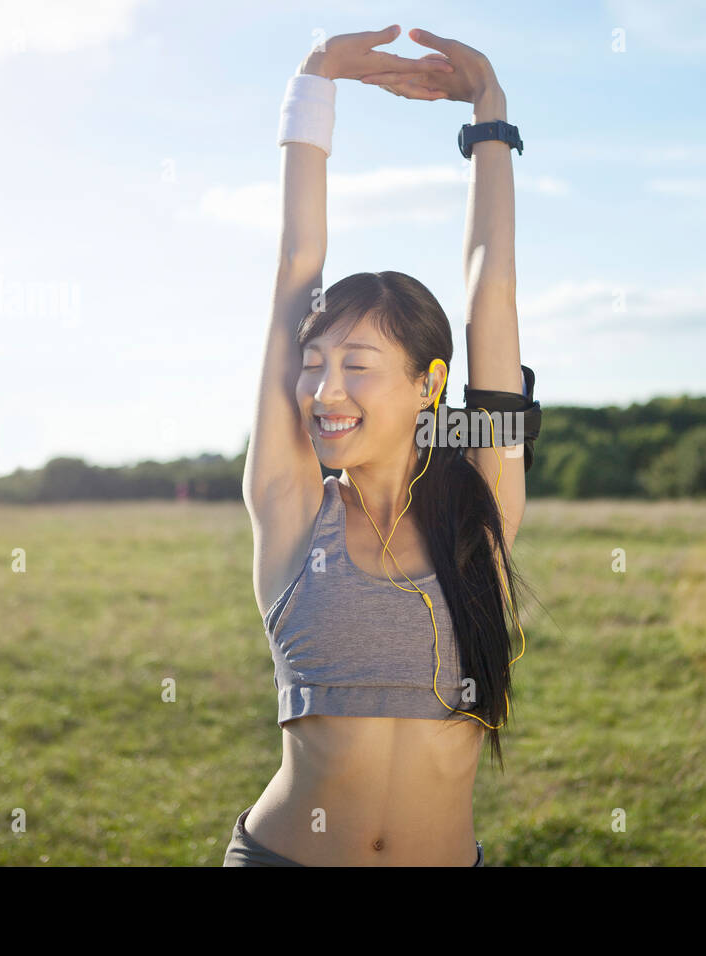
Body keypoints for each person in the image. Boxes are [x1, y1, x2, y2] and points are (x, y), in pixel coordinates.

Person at [224, 25, 536, 866]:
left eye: (356, 365)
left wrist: (490, 118)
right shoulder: (291, 509)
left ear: (430, 384)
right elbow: (297, 261)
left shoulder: (481, 508)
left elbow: (491, 293)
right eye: (315, 363)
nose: (324, 390)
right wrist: (314, 83)